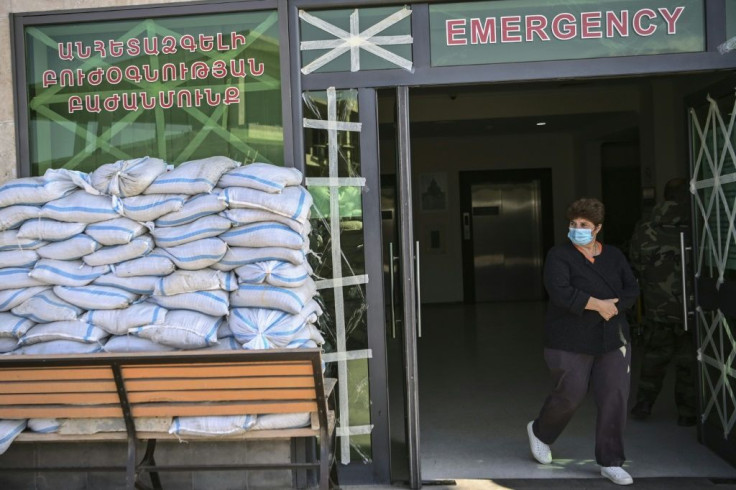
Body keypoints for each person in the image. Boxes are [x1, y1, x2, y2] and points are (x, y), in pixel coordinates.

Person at [527, 198, 639, 486]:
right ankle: (540, 432)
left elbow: (632, 287)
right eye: (573, 224)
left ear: (597, 228)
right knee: (571, 394)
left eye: (584, 225)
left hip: (611, 338)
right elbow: (560, 291)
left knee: (614, 396)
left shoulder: (614, 256)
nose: (577, 229)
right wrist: (596, 304)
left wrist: (614, 306)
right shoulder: (559, 256)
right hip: (568, 338)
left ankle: (611, 462)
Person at [629, 178, 697, 427]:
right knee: (688, 360)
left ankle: (644, 403)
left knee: (654, 357)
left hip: (657, 306)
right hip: (691, 308)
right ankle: (688, 412)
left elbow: (635, 263)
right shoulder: (698, 223)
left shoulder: (645, 227)